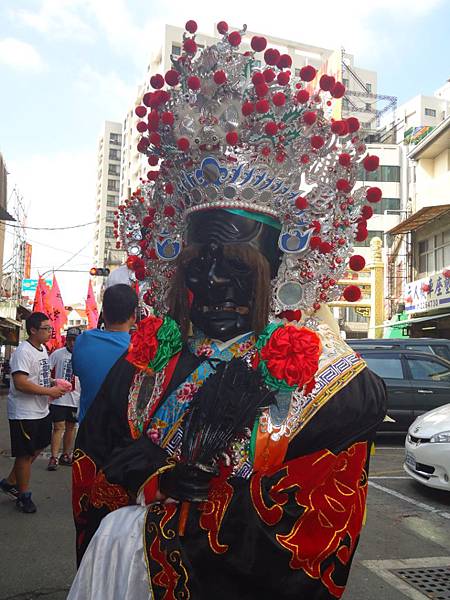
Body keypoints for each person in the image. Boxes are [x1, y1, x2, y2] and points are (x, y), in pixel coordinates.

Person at [69, 22, 386, 600]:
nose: (212, 280)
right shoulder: (140, 369)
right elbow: (94, 471)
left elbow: (308, 545)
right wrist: (135, 484)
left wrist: (168, 498)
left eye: (236, 263)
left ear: (279, 268)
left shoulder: (331, 386)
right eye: (198, 261)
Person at [0, 312, 66, 513]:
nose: (49, 332)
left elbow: (38, 377)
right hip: (24, 413)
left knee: (37, 447)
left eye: (50, 328)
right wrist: (50, 391)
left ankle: (11, 481)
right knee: (24, 455)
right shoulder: (23, 351)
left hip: (40, 410)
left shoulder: (43, 349)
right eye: (46, 328)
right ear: (33, 330)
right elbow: (20, 383)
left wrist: (54, 383)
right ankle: (23, 495)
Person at [72, 284, 138, 423]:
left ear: (104, 313)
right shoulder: (138, 348)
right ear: (133, 316)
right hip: (123, 432)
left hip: (88, 430)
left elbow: (77, 371)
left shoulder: (83, 340)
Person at [47, 327, 82, 471]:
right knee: (58, 427)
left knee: (71, 428)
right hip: (59, 398)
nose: (72, 343)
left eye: (75, 340)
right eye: (70, 340)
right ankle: (54, 457)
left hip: (75, 398)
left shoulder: (84, 355)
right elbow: (45, 373)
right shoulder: (57, 354)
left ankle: (66, 455)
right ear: (66, 340)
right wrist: (54, 383)